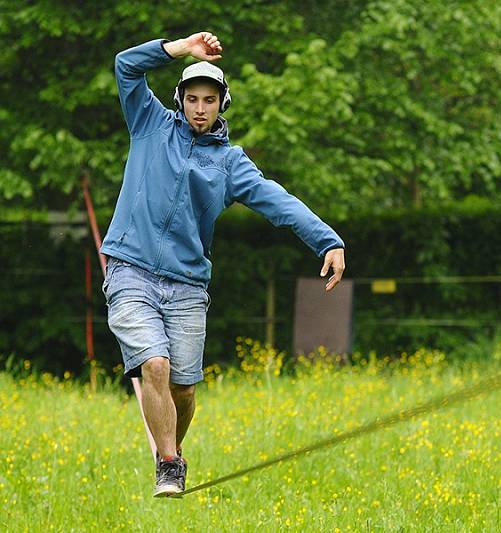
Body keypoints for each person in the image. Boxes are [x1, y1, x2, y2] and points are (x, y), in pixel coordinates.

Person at [100, 32, 346, 497]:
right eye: (191, 98)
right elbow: (126, 65)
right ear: (180, 101)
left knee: (185, 390)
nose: (199, 108)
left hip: (188, 285)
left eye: (208, 101)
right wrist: (182, 48)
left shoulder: (231, 163)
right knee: (154, 364)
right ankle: (168, 463)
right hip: (130, 270)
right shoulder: (149, 123)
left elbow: (281, 203)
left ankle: (171, 449)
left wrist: (326, 241)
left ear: (221, 105)